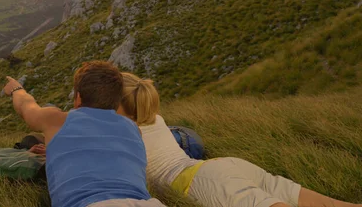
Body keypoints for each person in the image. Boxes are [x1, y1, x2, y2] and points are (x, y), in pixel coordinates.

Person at [118, 72, 362, 207]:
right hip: (221, 166)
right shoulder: (155, 118)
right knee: (328, 204)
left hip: (198, 182)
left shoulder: (123, 134)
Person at [2, 61, 164, 207]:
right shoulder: (134, 130)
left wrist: (16, 89)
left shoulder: (56, 120)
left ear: (78, 97)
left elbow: (25, 106)